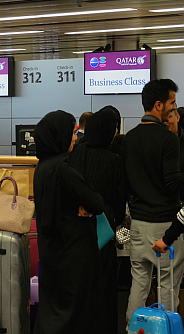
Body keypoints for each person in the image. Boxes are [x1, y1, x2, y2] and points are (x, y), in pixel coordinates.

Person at [32, 110, 105, 334]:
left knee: (52, 308)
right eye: (72, 132)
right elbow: (97, 203)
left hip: (50, 251)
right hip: (72, 252)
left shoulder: (41, 167)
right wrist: (85, 207)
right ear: (60, 135)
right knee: (74, 312)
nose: (75, 137)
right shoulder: (64, 167)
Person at [122, 78, 184, 324]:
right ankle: (166, 328)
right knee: (168, 285)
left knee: (139, 283)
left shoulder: (129, 139)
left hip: (138, 223)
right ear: (158, 105)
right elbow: (171, 182)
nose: (174, 108)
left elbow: (126, 183)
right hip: (166, 226)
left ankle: (133, 327)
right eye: (171, 103)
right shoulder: (168, 140)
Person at [69, 108, 126, 334]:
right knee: (102, 295)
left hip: (74, 237)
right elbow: (120, 208)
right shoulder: (114, 162)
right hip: (102, 238)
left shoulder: (74, 155)